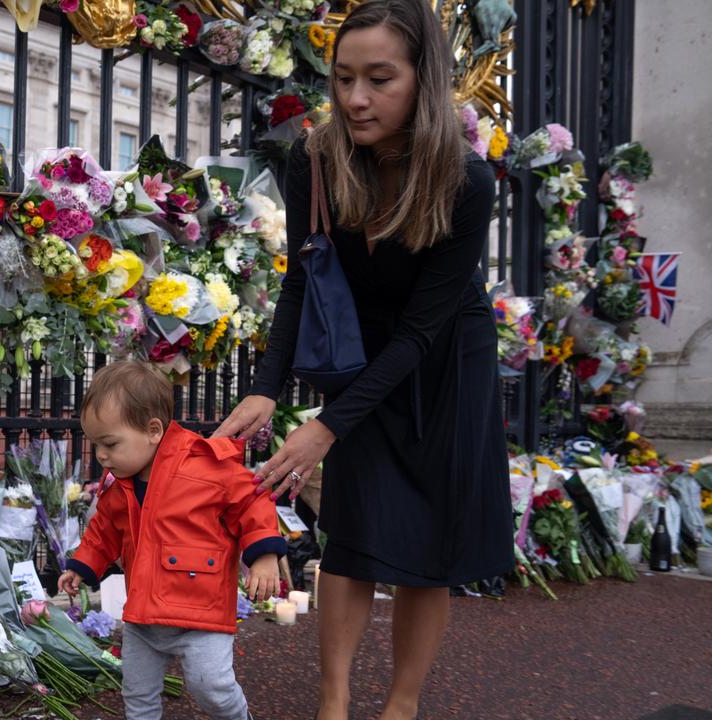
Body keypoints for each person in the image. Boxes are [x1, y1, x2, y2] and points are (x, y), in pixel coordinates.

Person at [213, 2, 514, 719]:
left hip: (444, 361)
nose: (355, 98)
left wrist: (327, 425)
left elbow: (419, 334)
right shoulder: (313, 160)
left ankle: (402, 705)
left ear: (424, 80)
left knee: (429, 545)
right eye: (344, 78)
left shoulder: (467, 183)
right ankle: (334, 699)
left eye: (380, 79)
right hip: (363, 356)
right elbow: (300, 282)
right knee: (351, 530)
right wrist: (265, 389)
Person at [58, 360, 285, 720]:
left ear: (152, 430)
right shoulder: (121, 488)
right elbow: (103, 531)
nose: (101, 455)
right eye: (95, 444)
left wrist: (264, 555)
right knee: (137, 694)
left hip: (201, 617)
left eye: (110, 443)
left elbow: (251, 499)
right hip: (145, 621)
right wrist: (82, 567)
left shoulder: (204, 466)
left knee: (212, 688)